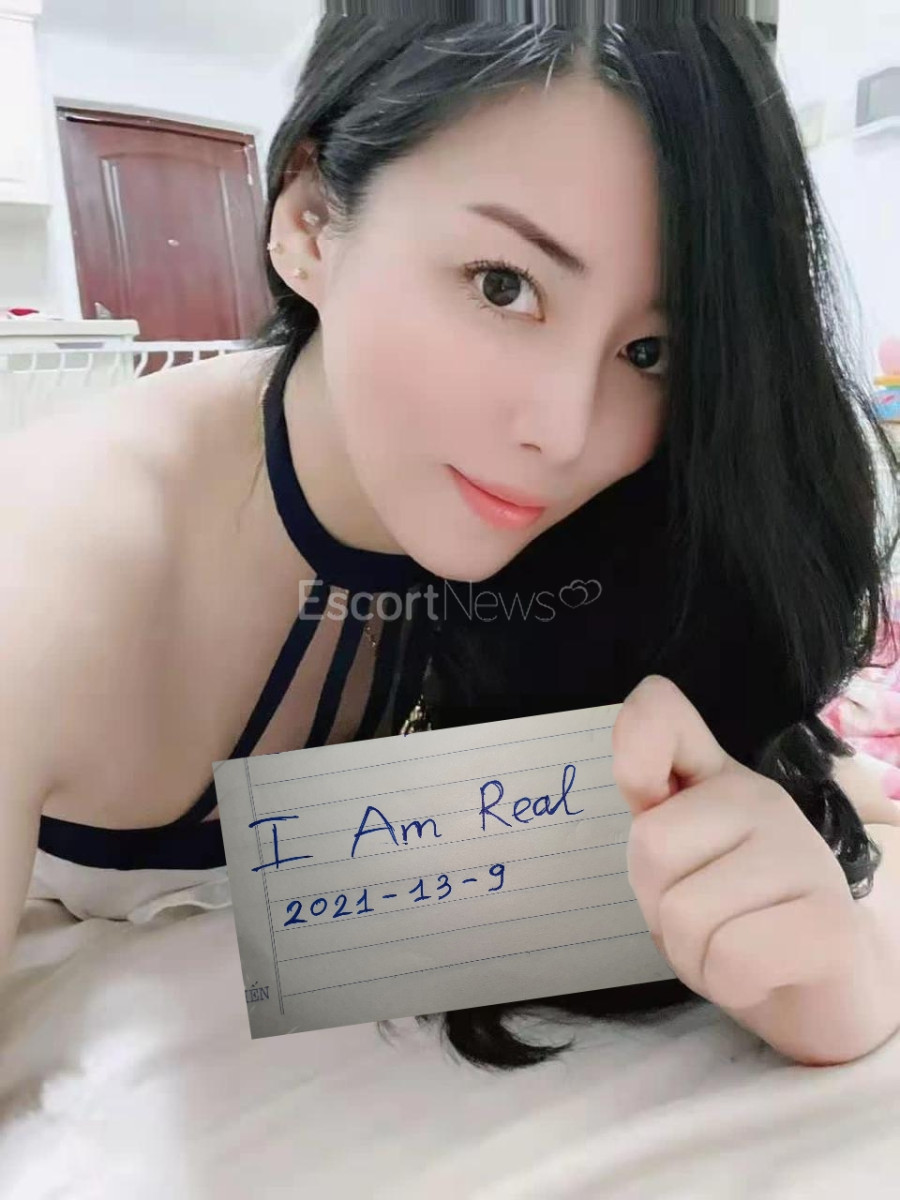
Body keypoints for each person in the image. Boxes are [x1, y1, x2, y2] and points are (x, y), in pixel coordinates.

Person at [2, 9, 899, 1072]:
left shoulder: (632, 524)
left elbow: (779, 808)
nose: (565, 431)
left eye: (651, 350)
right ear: (310, 219)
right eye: (503, 285)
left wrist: (832, 985)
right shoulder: (51, 562)